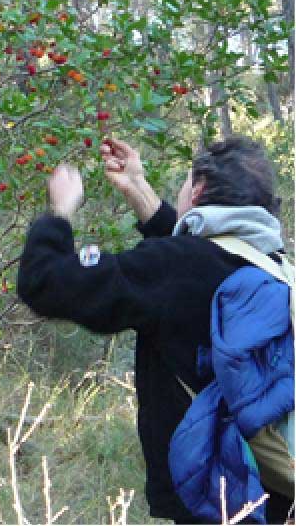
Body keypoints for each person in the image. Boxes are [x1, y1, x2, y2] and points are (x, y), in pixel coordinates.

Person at [17, 136, 291, 524]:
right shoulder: (276, 269)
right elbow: (191, 263)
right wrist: (139, 190)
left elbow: (45, 283)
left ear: (198, 190)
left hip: (212, 500)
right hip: (278, 490)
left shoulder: (176, 267)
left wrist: (59, 213)